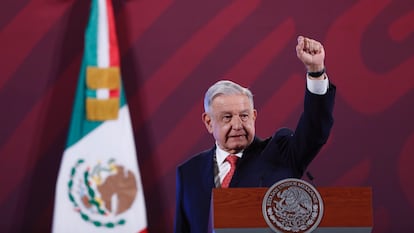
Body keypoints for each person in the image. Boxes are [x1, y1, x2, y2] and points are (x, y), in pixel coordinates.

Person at [174, 36, 336, 233]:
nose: (237, 125)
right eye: (227, 117)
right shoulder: (189, 171)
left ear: (254, 116)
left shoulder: (280, 153)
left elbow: (315, 130)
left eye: (244, 116)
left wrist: (316, 72)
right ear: (209, 122)